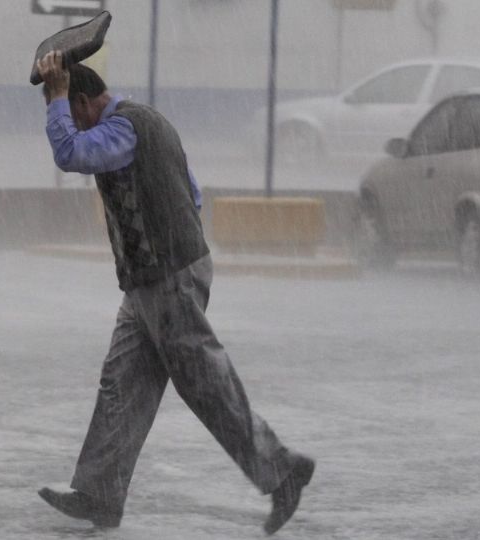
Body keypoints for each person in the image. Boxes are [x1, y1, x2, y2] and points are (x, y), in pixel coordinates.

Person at [34, 50, 314, 536]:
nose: (66, 121)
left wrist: (54, 93)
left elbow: (71, 154)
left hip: (166, 276)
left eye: (64, 109)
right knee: (122, 384)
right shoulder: (148, 122)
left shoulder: (123, 129)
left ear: (81, 102)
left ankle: (282, 471)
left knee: (206, 384)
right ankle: (100, 492)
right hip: (153, 278)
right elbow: (193, 192)